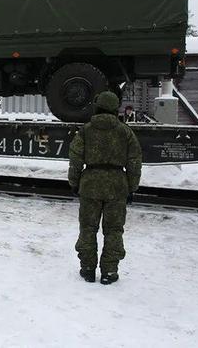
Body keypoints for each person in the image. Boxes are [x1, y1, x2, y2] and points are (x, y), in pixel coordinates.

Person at [68, 91, 142, 285]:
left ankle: (87, 269)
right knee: (114, 230)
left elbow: (75, 159)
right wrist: (132, 187)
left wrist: (74, 183)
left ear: (98, 106)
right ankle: (109, 271)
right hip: (117, 186)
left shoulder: (86, 130)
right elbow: (134, 162)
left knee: (87, 228)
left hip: (90, 184)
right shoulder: (126, 132)